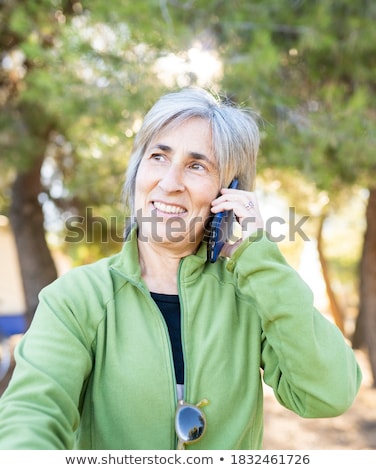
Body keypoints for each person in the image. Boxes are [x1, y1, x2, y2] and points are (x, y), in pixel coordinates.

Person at [0, 87, 362, 450]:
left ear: (229, 193)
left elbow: (329, 393)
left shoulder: (252, 294)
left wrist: (259, 258)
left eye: (197, 165)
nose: (170, 183)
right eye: (158, 156)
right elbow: (32, 415)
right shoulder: (76, 297)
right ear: (137, 171)